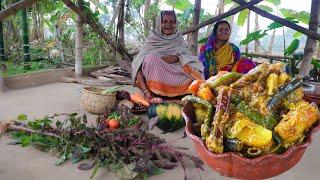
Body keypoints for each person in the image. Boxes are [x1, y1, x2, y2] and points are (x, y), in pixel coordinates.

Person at [131, 10, 204, 102]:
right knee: (150, 59)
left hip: (175, 71)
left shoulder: (178, 38)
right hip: (156, 73)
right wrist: (145, 91)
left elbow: (187, 57)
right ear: (159, 23)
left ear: (176, 24)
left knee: (193, 69)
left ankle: (178, 93)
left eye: (172, 22)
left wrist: (178, 57)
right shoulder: (152, 39)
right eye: (164, 21)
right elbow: (137, 63)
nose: (168, 24)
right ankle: (153, 93)